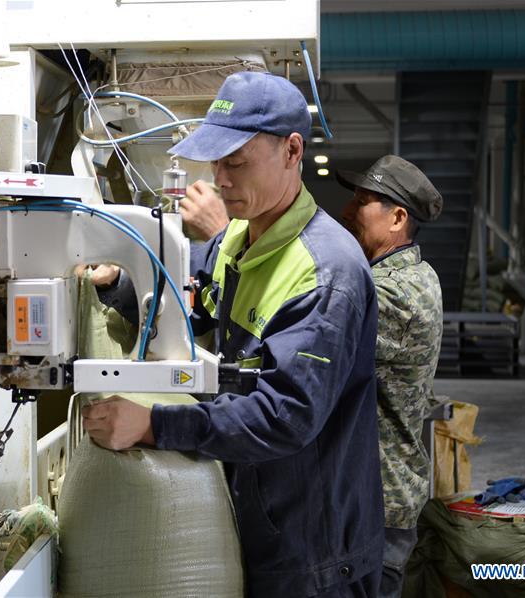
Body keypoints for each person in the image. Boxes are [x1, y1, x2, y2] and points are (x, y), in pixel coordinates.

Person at [84, 71, 384, 597]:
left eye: (236, 162)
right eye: (216, 163)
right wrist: (116, 281)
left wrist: (154, 425)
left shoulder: (325, 272)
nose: (220, 180)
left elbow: (284, 416)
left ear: (292, 151)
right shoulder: (238, 239)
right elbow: (189, 303)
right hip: (262, 513)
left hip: (313, 550)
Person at [337, 156, 444, 598]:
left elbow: (319, 310)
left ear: (397, 218)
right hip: (369, 495)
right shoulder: (405, 274)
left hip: (379, 500)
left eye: (362, 202)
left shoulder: (399, 292)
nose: (347, 211)